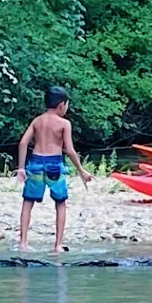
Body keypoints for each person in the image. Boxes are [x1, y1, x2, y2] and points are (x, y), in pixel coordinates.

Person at [16, 87, 93, 252]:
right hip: (54, 165)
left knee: (28, 202)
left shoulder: (37, 121)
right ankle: (57, 245)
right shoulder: (65, 124)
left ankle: (23, 242)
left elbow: (23, 143)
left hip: (35, 163)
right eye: (67, 105)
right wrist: (81, 170)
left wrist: (21, 168)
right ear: (61, 105)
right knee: (60, 203)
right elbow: (70, 150)